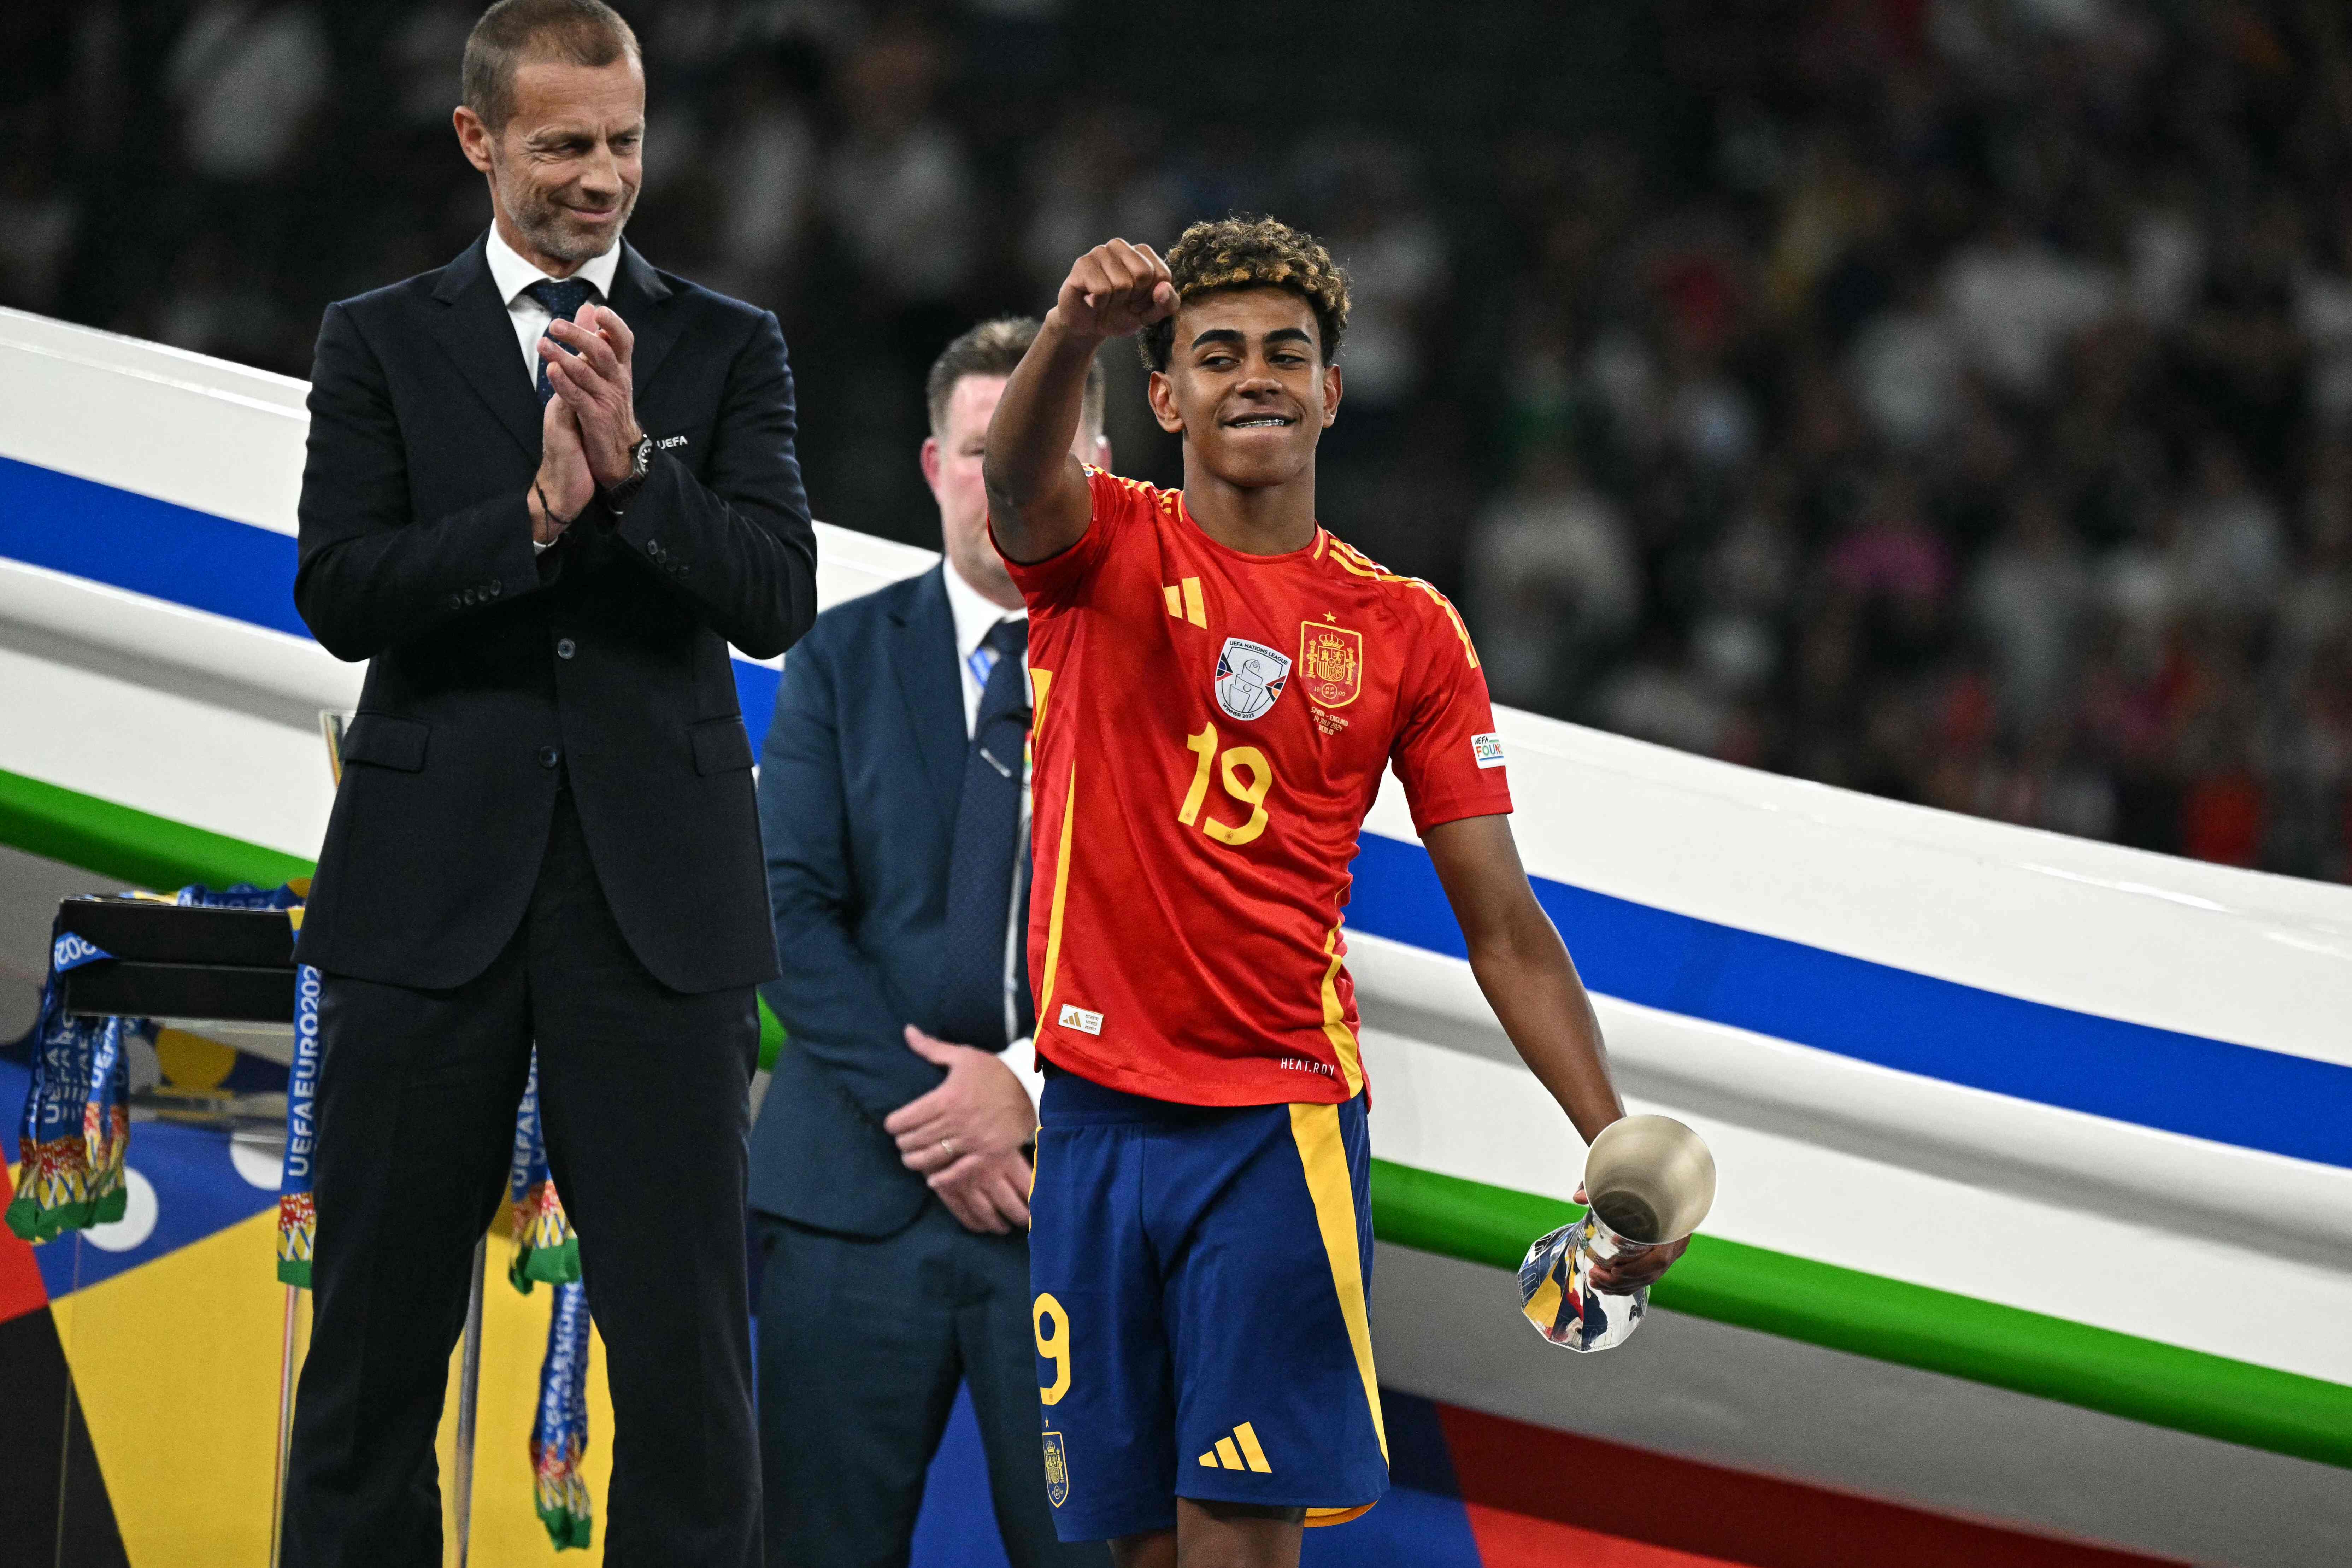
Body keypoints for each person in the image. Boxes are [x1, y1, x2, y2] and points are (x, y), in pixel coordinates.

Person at [982, 218, 1687, 1568]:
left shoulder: (1406, 629)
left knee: (1237, 1539)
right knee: (1129, 1547)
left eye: (1288, 354)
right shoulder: (1097, 548)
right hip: (1087, 1122)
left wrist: (1612, 1147)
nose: (1256, 377)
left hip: (1271, 1128)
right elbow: (1016, 480)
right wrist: (1071, 325)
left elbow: (1504, 925)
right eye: (1219, 353)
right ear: (1164, 394)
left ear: (1333, 393)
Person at [283, 2, 817, 1562]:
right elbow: (340, 589)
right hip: (423, 905)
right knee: (373, 1367)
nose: (601, 178)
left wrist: (640, 471)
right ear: (477, 140)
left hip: (657, 920)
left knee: (690, 1375)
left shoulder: (727, 346)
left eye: (625, 143)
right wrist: (525, 518)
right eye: (562, 145)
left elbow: (775, 596)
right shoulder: (376, 338)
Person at [747, 318, 1111, 1568]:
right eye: (979, 451)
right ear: (932, 465)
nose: (1005, 479)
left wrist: (1025, 1091)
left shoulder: (1162, 682)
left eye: (1040, 449)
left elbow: (1188, 943)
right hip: (845, 1209)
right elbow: (784, 914)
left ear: (1100, 464)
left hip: (1073, 1212)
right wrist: (946, 1111)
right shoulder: (839, 658)